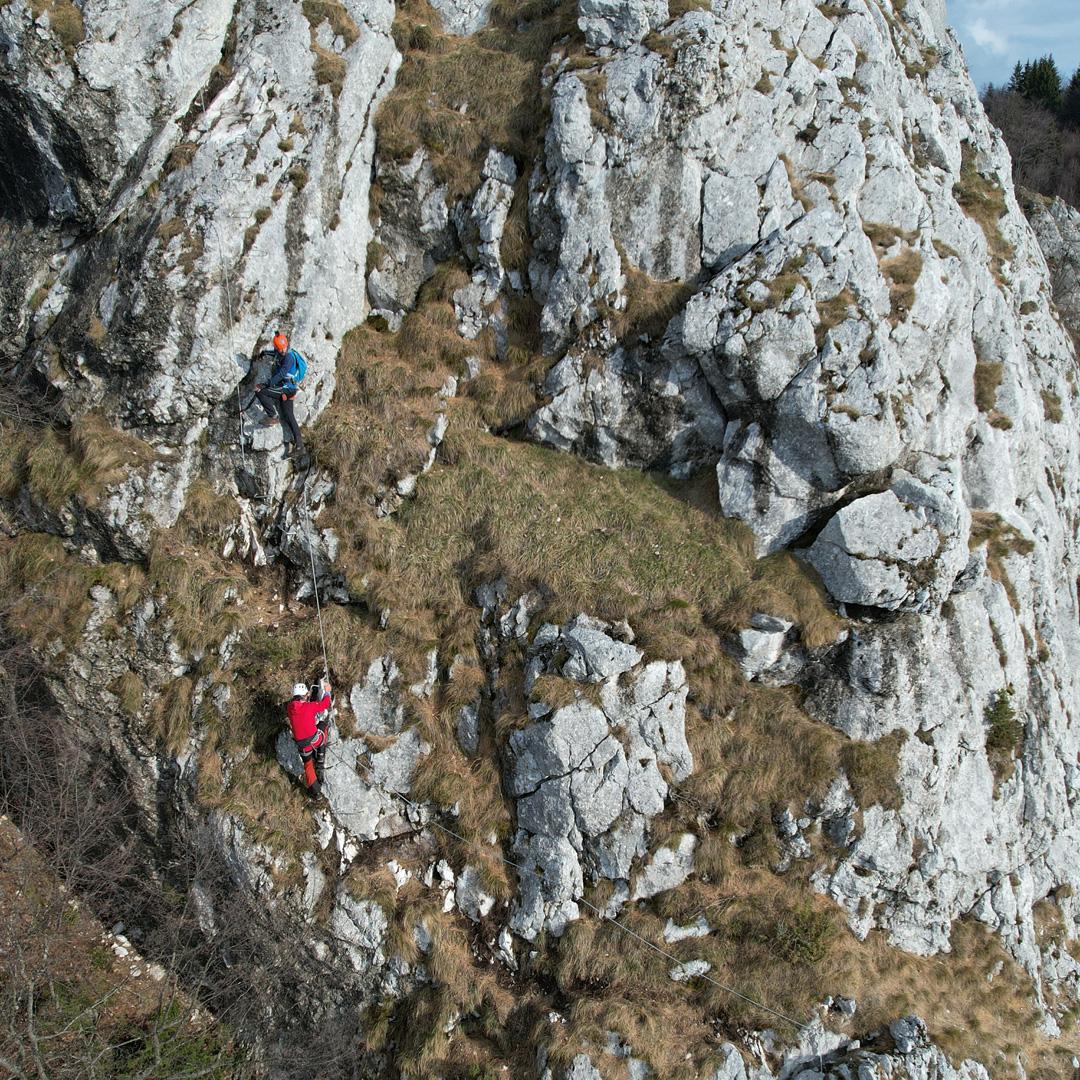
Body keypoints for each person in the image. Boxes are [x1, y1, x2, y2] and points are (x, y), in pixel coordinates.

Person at [254, 332, 308, 459]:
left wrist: (266, 384)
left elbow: (282, 374)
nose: (283, 350)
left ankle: (272, 416)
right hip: (288, 389)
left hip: (286, 389)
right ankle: (300, 446)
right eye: (280, 349)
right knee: (289, 416)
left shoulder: (289, 357)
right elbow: (275, 354)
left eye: (284, 348)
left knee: (259, 391)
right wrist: (264, 353)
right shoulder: (279, 352)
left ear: (286, 345)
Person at [287, 678, 332, 796]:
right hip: (314, 740)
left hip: (302, 745)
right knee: (323, 726)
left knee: (308, 765)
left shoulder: (289, 708)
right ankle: (320, 760)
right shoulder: (309, 706)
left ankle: (316, 792)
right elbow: (325, 704)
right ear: (305, 695)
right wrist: (327, 692)